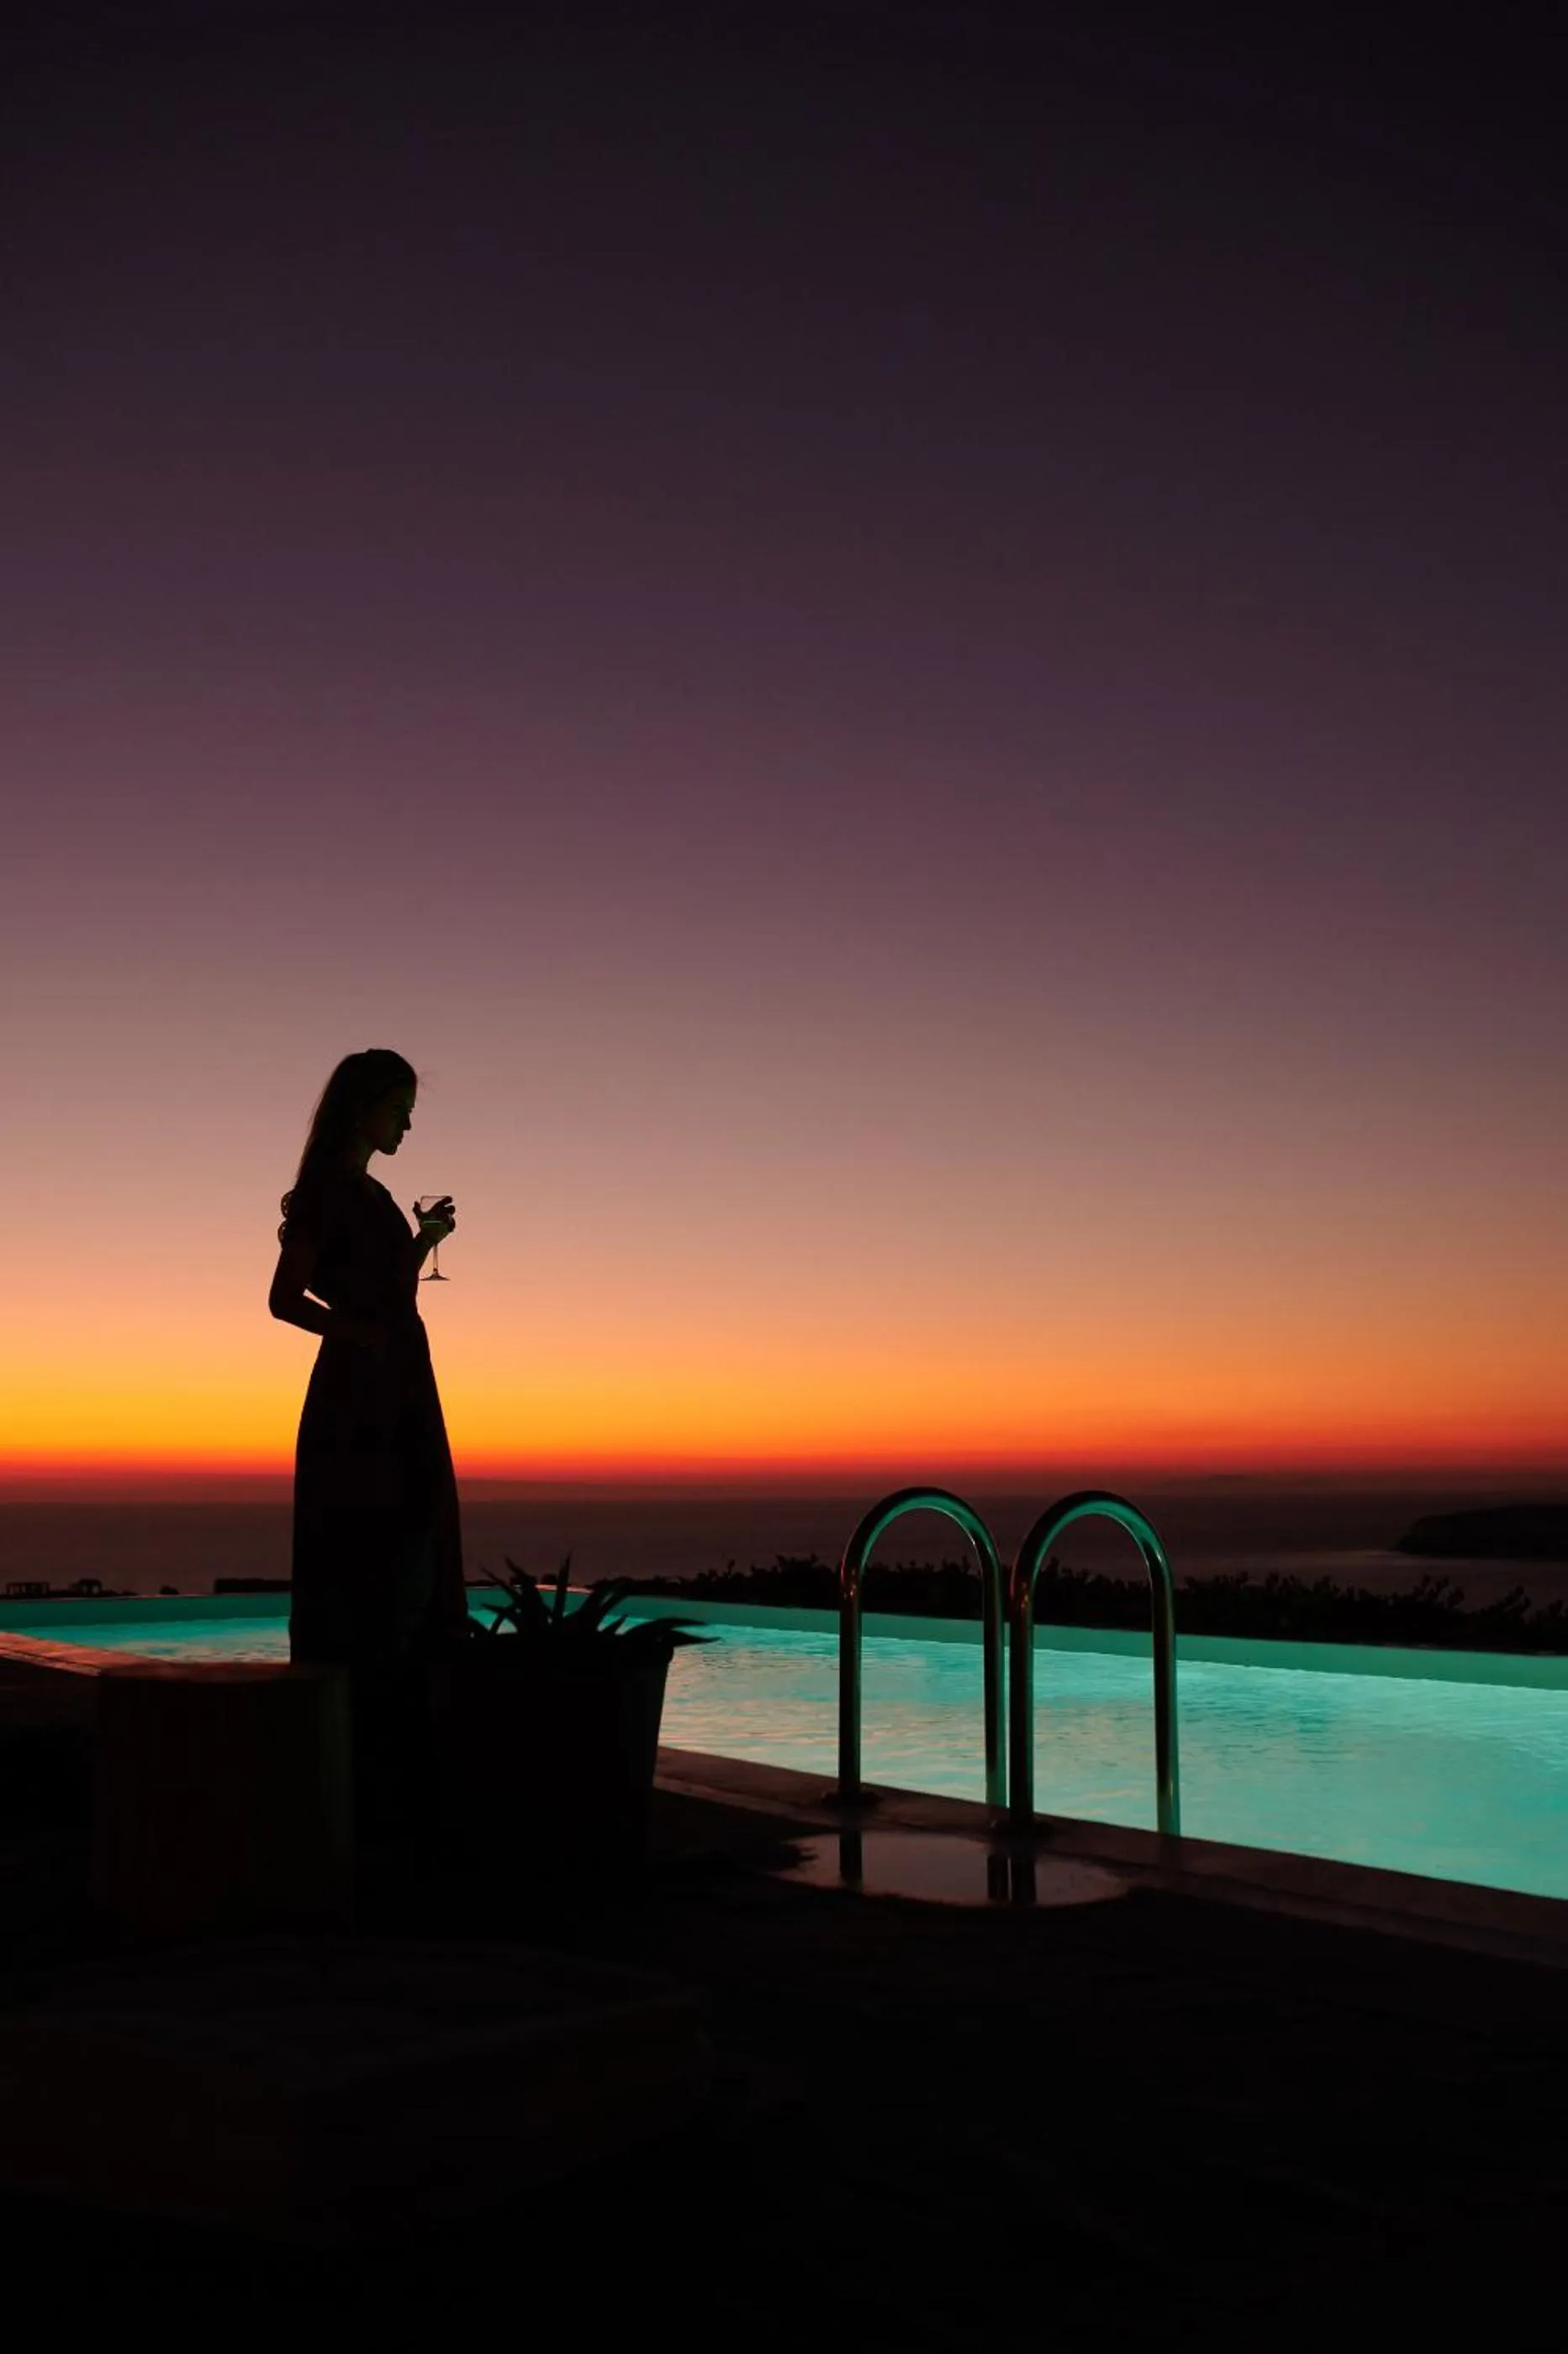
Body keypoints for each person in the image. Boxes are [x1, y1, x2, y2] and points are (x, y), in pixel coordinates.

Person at [268, 1048, 468, 1835]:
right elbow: (285, 1299)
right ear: (361, 1109)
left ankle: (399, 1734)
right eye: (399, 1108)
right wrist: (356, 1335)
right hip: (361, 1391)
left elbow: (388, 1289)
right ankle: (369, 1749)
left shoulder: (369, 1191)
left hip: (398, 1379)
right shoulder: (325, 1190)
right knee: (375, 1543)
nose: (409, 1123)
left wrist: (422, 1242)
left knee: (411, 1535)